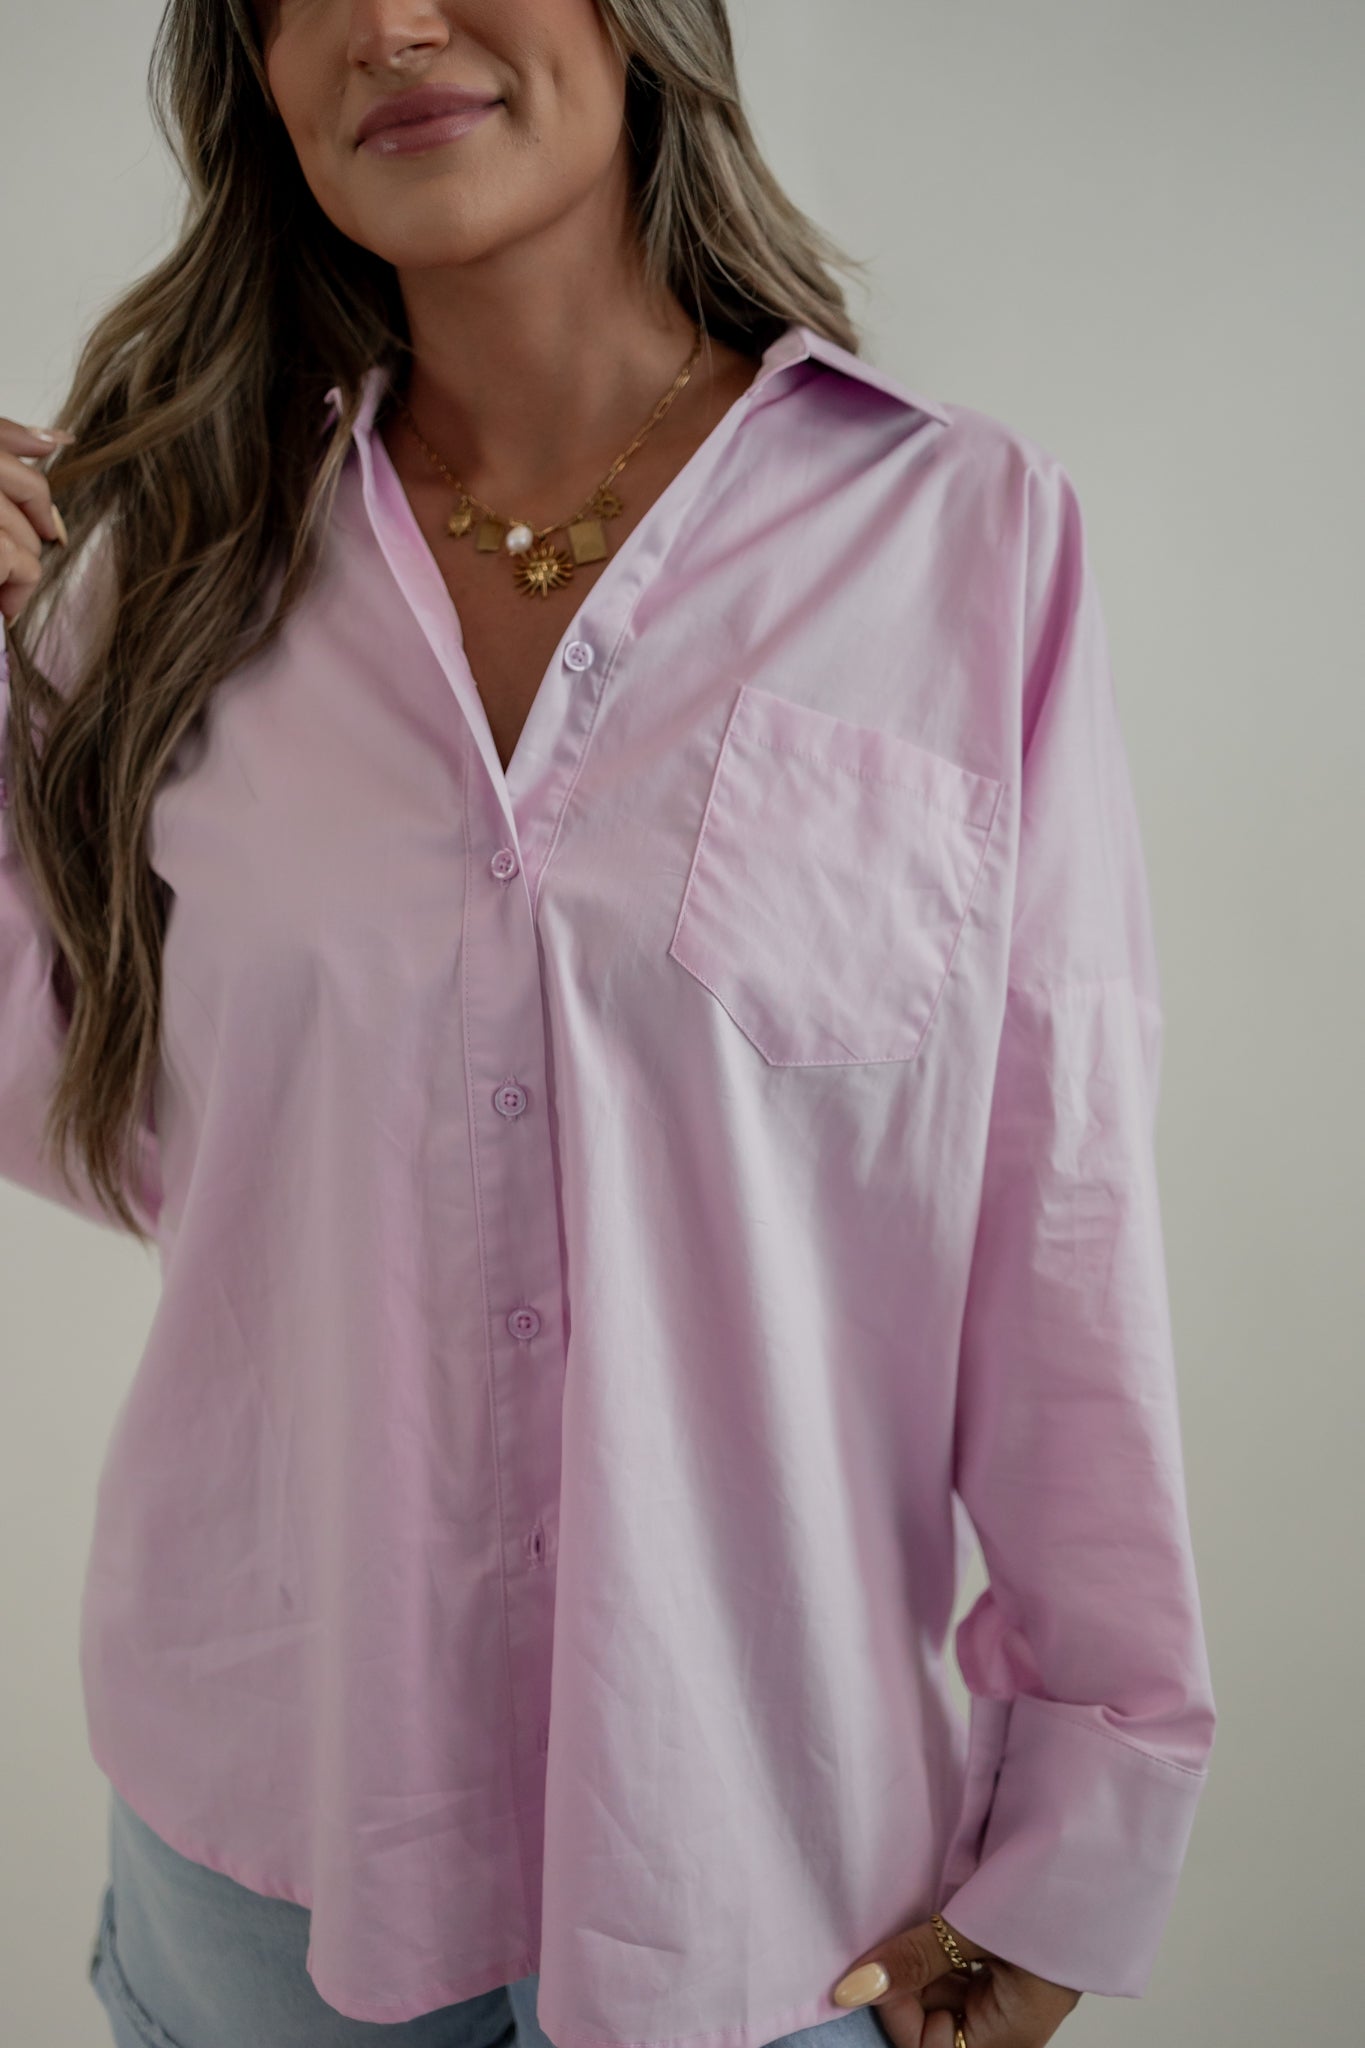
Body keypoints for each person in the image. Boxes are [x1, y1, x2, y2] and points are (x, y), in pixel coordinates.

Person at [0, 4, 1216, 2048]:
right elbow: (103, 1117)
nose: (388, 21)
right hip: (266, 1837)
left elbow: (1055, 1209)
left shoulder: (956, 539)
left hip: (765, 1873)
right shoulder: (179, 555)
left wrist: (1086, 1809)